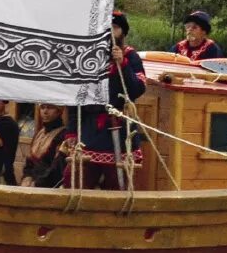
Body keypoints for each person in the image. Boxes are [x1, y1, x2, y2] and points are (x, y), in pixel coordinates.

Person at [75, 12, 149, 189]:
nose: (110, 33)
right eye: (107, 28)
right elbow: (77, 94)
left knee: (117, 183)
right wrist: (72, 131)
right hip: (90, 129)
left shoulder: (131, 56)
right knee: (78, 180)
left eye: (115, 28)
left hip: (118, 130)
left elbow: (136, 90)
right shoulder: (90, 56)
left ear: (122, 32)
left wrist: (122, 64)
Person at [20, 103, 71, 189]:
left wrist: (37, 184)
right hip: (31, 184)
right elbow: (29, 162)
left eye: (50, 108)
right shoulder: (39, 133)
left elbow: (57, 169)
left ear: (59, 111)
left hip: (49, 187)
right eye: (42, 108)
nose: (45, 111)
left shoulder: (63, 135)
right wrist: (27, 177)